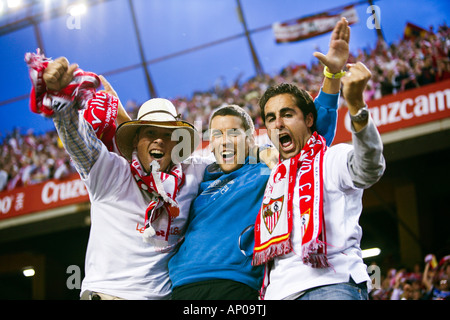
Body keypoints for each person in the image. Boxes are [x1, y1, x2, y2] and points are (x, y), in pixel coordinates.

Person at [168, 18, 352, 300]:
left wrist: (332, 75)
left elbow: (312, 131)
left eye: (233, 133)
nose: (224, 140)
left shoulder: (269, 170)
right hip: (179, 285)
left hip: (235, 285)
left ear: (252, 138)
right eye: (216, 134)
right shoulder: (201, 175)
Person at [26, 53, 208, 300]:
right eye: (150, 132)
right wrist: (62, 103)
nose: (158, 139)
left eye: (167, 134)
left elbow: (235, 156)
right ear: (135, 141)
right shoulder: (111, 173)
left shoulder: (193, 175)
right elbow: (79, 141)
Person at [252, 61, 386, 300]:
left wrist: (356, 105)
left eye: (287, 114)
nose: (278, 123)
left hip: (332, 285)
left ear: (309, 120)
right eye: (271, 118)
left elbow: (370, 168)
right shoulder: (272, 177)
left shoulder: (331, 158)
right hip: (277, 293)